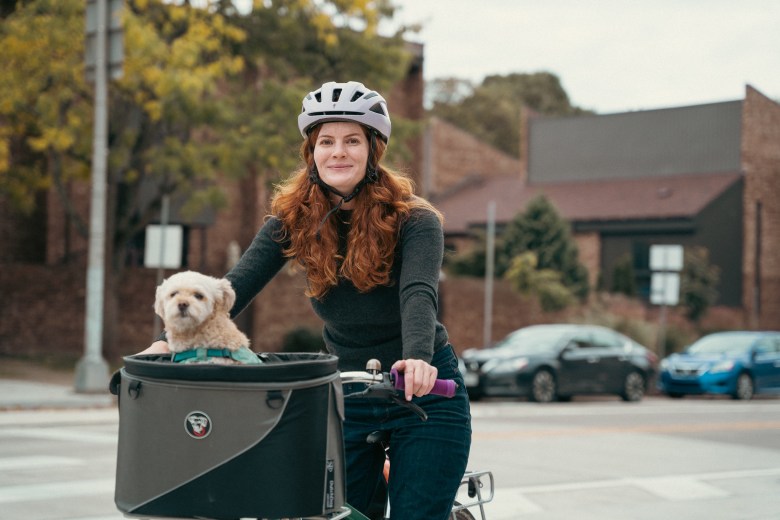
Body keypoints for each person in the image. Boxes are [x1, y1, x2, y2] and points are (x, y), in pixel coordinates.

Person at [143, 80, 471, 520]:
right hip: (349, 390)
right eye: (326, 141)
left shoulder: (415, 219)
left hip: (426, 389)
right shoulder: (293, 217)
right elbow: (233, 288)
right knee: (329, 512)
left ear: (374, 150)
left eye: (352, 141)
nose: (339, 152)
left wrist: (416, 358)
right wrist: (170, 342)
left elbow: (418, 293)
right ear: (311, 152)